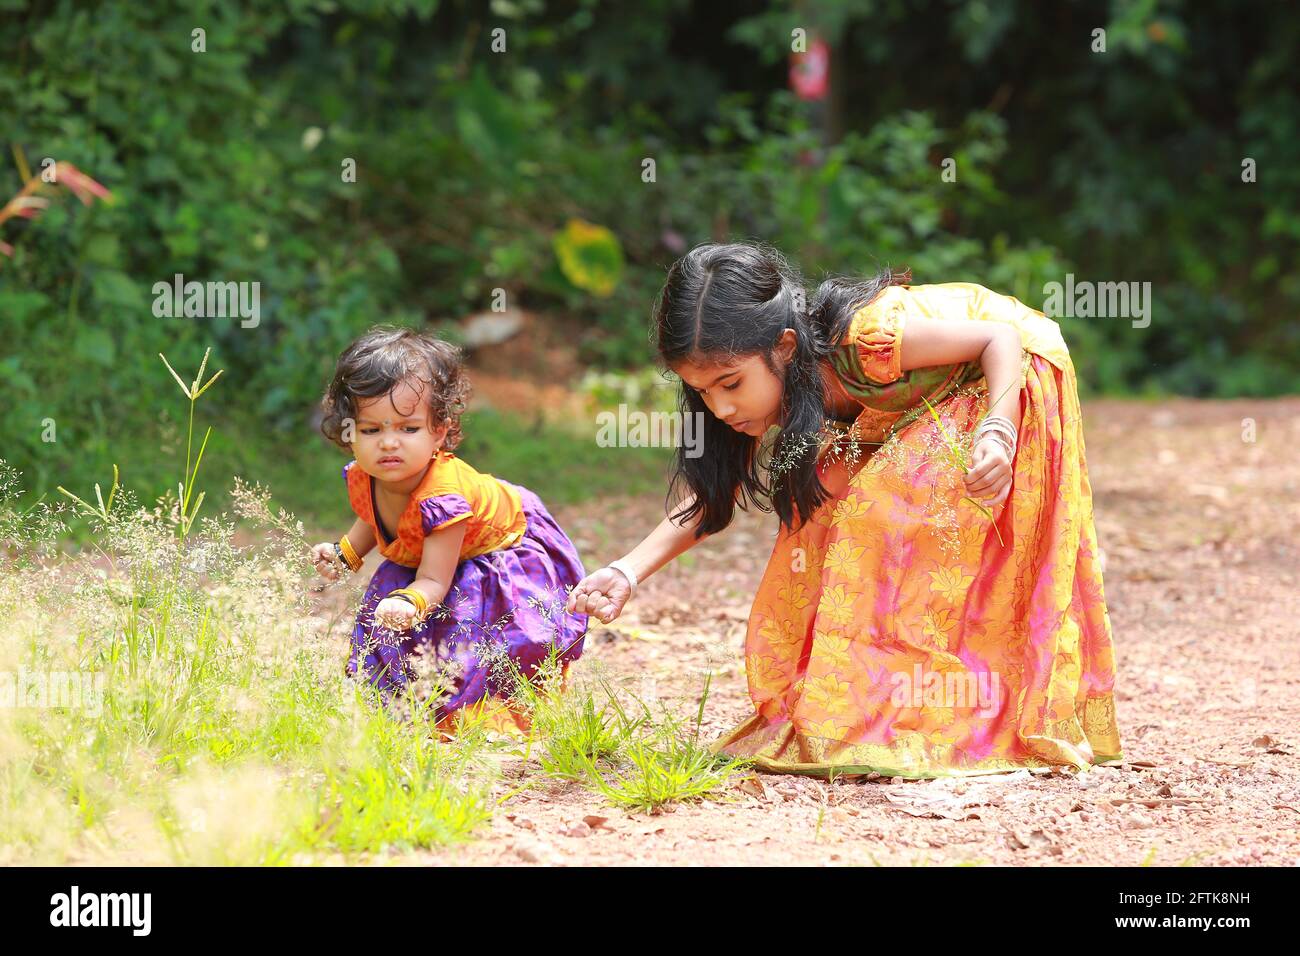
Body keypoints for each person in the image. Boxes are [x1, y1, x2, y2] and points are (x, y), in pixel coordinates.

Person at [567, 241, 1123, 778]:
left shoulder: (862, 343)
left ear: (784, 347)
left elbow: (998, 339)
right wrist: (625, 571)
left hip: (1008, 368)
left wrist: (997, 432)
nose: (721, 406)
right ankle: (856, 699)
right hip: (918, 392)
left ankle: (941, 707)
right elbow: (710, 499)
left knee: (885, 503)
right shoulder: (741, 397)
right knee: (821, 500)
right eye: (703, 391)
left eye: (731, 384)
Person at [312, 326, 589, 735]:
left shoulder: (442, 496)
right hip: (432, 559)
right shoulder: (366, 475)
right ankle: (413, 710)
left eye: (408, 429)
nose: (389, 443)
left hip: (491, 548)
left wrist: (410, 601)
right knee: (406, 641)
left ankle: (498, 716)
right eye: (372, 430)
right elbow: (375, 516)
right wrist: (345, 554)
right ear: (351, 432)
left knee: (497, 640)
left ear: (438, 430)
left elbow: (434, 579)